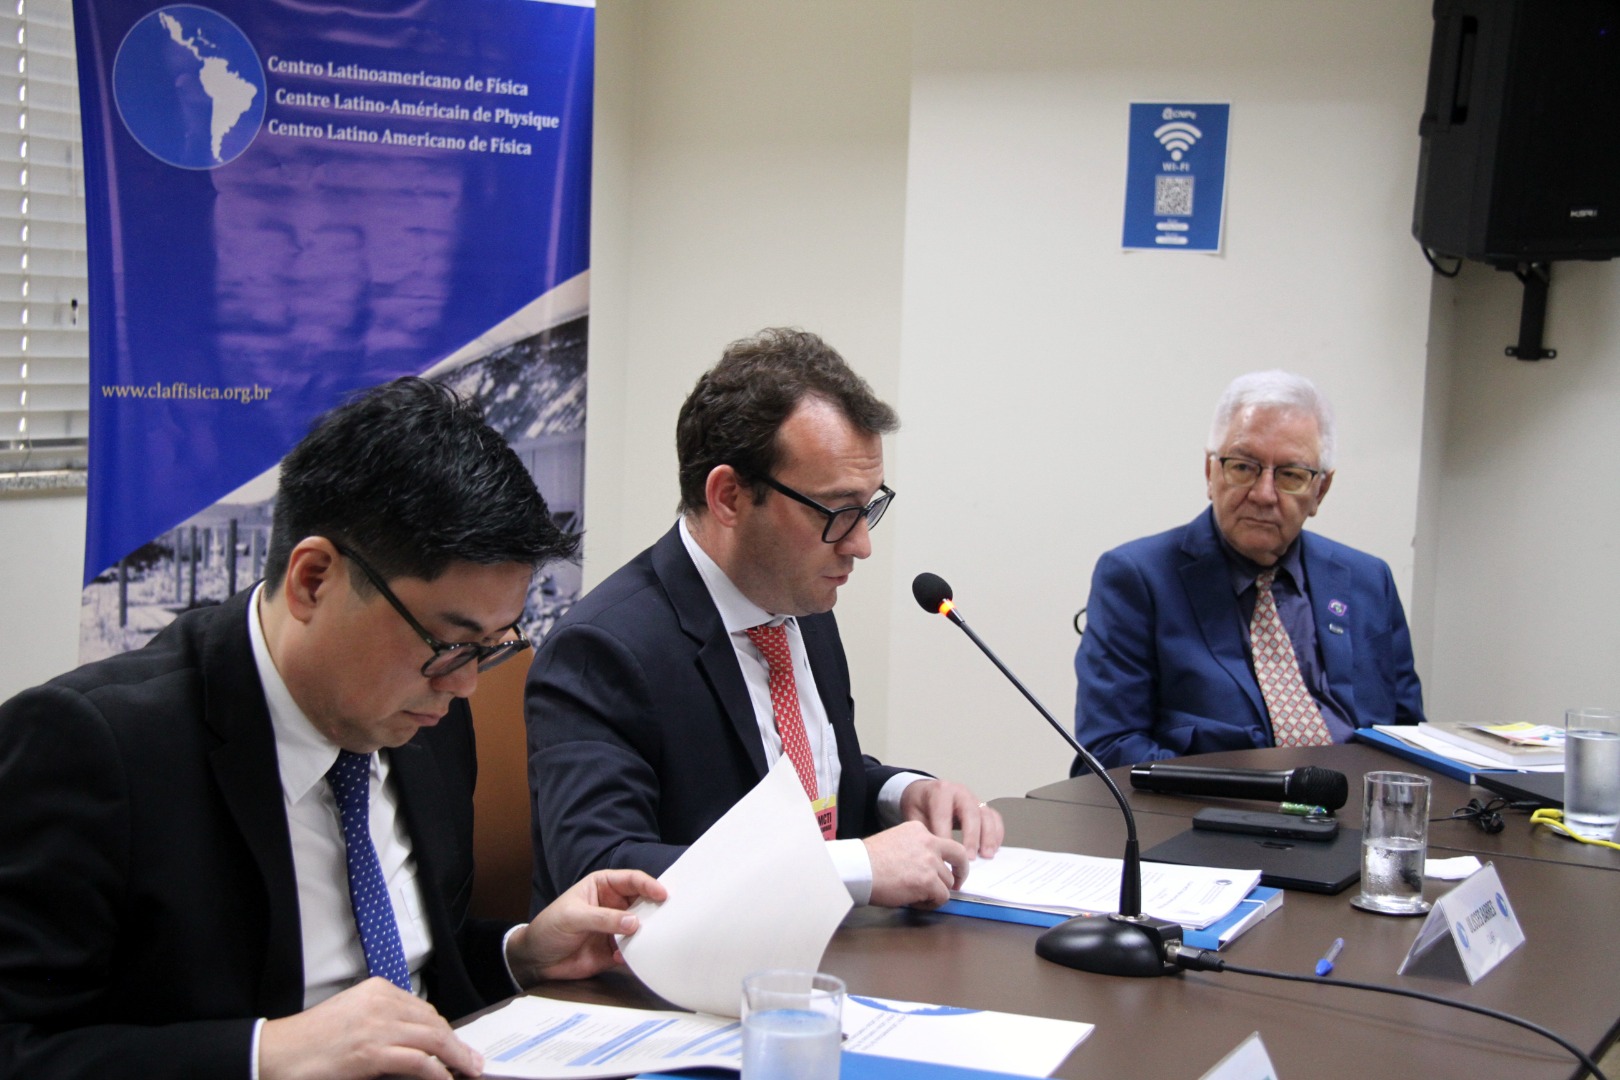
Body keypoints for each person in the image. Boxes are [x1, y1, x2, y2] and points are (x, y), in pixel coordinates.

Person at [0, 378, 666, 1080]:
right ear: (313, 580)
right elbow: (16, 1044)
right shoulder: (93, 746)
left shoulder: (426, 719)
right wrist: (268, 1053)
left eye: (490, 647)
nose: (465, 684)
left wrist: (521, 954)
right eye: (448, 643)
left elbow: (409, 966)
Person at [526, 328, 1002, 912]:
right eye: (837, 512)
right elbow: (601, 872)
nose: (860, 545)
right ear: (729, 496)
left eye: (869, 508)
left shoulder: (797, 600)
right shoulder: (602, 650)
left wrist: (901, 794)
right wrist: (854, 866)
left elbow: (802, 784)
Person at [1073, 370, 1424, 770]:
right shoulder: (1138, 578)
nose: (1263, 494)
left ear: (1320, 491)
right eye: (1243, 467)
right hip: (1214, 805)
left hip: (1359, 800)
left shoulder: (1368, 580)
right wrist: (1252, 792)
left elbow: (1409, 738)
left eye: (1291, 475)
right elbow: (1109, 750)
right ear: (1211, 473)